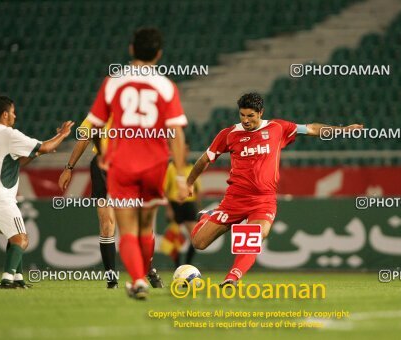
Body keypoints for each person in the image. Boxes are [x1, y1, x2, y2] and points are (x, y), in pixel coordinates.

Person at [184, 92, 362, 286]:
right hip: (235, 199)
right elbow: (205, 159)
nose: (245, 120)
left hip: (263, 200)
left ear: (261, 112)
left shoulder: (278, 128)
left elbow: (311, 128)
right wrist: (189, 182)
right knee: (199, 243)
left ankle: (231, 279)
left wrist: (342, 130)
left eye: (250, 115)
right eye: (242, 115)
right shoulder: (229, 134)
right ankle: (208, 216)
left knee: (253, 236)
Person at [84, 27, 188, 300]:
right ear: (158, 54)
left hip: (123, 164)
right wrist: (179, 175)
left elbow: (94, 124)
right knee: (146, 226)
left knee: (127, 228)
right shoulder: (166, 86)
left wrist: (101, 152)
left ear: (131, 49)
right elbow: (177, 133)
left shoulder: (113, 82)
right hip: (155, 164)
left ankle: (138, 280)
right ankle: (143, 273)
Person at [57, 119, 163, 289]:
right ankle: (111, 281)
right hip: (103, 167)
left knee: (141, 225)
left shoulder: (138, 109)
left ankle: (147, 269)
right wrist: (69, 168)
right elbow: (84, 138)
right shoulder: (100, 112)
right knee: (107, 225)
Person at [0, 95, 74, 288]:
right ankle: (6, 280)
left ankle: (18, 279)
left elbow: (15, 161)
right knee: (21, 238)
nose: (15, 116)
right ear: (5, 114)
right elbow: (45, 146)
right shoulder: (8, 134)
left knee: (12, 234)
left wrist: (36, 152)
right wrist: (62, 135)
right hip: (0, 198)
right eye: (12, 112)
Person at [160, 143, 201, 268]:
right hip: (175, 204)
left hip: (189, 205)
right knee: (174, 238)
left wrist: (198, 208)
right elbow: (165, 190)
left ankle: (188, 264)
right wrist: (169, 209)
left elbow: (198, 190)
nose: (184, 153)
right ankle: (177, 266)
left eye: (186, 150)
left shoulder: (191, 168)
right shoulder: (171, 168)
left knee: (195, 237)